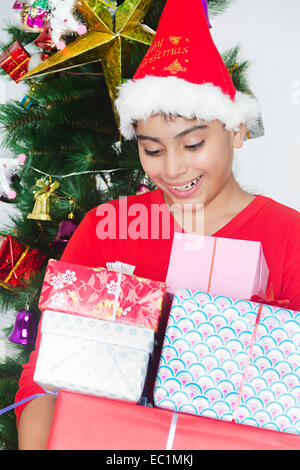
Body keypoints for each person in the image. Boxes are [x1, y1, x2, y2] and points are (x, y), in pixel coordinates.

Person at [15, 0, 300, 450]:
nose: (172, 168)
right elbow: (45, 376)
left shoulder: (289, 238)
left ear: (237, 130)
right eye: (152, 149)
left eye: (193, 143)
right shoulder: (105, 228)